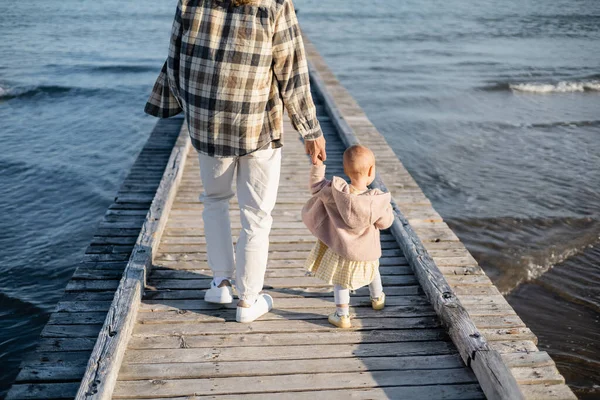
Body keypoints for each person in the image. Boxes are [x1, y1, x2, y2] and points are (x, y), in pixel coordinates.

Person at [144, 0, 326, 323]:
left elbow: (174, 61)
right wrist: (309, 130)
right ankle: (248, 300)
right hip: (257, 127)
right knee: (255, 215)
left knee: (214, 201)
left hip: (208, 125)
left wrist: (196, 108)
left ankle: (220, 282)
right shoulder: (274, 4)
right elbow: (292, 71)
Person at [301, 145, 394, 328]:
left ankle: (342, 315)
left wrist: (318, 165)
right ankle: (377, 299)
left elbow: (316, 186)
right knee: (373, 272)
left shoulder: (336, 193)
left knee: (341, 282)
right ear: (371, 171)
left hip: (342, 250)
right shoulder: (376, 201)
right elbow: (385, 223)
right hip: (367, 252)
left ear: (345, 170)